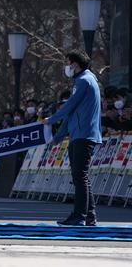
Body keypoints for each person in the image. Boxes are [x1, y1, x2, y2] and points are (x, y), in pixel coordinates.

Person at [42, 51, 102, 226]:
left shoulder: (84, 81)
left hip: (84, 134)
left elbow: (69, 106)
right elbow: (72, 113)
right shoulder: (85, 80)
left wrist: (51, 119)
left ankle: (79, 215)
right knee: (80, 176)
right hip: (79, 134)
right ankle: (89, 215)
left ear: (75, 64)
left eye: (68, 63)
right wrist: (59, 136)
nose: (67, 67)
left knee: (80, 176)